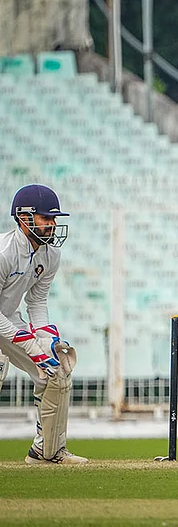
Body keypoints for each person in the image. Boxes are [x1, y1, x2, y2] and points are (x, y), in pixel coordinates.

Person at [0, 184, 87, 464]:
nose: (52, 225)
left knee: (55, 372)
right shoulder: (4, 253)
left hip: (8, 321)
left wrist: (46, 338)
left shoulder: (50, 255)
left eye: (54, 219)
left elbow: (36, 302)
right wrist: (27, 342)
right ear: (24, 219)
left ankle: (46, 452)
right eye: (45, 218)